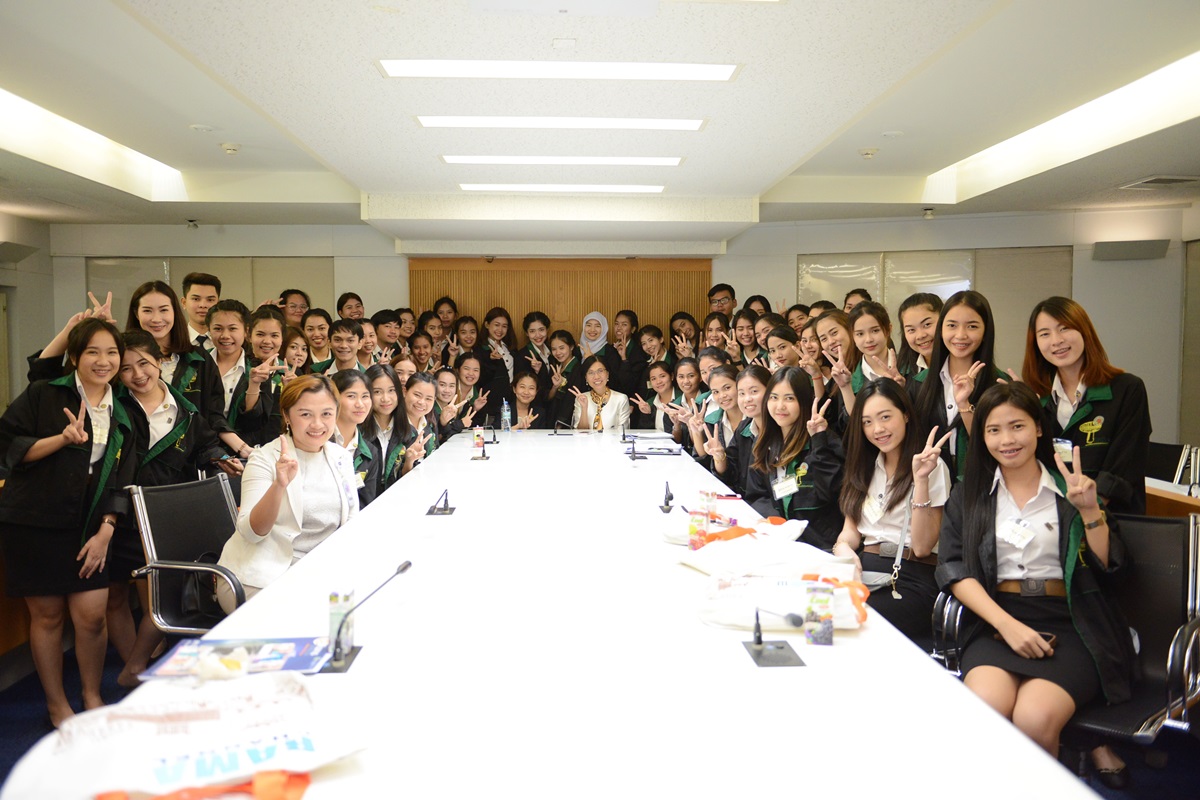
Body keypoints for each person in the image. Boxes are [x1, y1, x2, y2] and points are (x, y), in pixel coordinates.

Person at [935, 382, 1133, 758]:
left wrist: (1091, 513)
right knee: (984, 710)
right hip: (999, 621)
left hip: (1073, 623)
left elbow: (1111, 569)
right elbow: (953, 568)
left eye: (1017, 426)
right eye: (994, 430)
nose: (1006, 440)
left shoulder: (1070, 487)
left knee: (1034, 718)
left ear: (1038, 428)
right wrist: (1007, 626)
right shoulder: (971, 493)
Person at [0, 318, 136, 727]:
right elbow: (8, 446)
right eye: (92, 352)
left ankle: (92, 694)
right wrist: (61, 439)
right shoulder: (45, 394)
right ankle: (57, 704)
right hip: (34, 523)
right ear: (74, 357)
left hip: (90, 527)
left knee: (92, 615)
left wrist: (107, 530)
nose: (103, 361)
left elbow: (122, 478)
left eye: (112, 352)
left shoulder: (124, 411)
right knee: (47, 617)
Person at [109, 330, 237, 686]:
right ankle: (132, 668)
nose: (137, 375)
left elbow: (204, 446)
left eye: (144, 364)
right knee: (115, 595)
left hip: (161, 514)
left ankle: (139, 665)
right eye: (126, 368)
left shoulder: (186, 410)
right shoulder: (112, 404)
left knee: (159, 598)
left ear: (161, 362)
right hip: (115, 509)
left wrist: (222, 458)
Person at [217, 375, 359, 613]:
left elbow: (351, 522)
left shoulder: (340, 456)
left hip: (318, 574)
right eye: (305, 414)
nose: (317, 424)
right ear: (286, 416)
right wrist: (279, 484)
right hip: (260, 576)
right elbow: (253, 533)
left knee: (355, 616)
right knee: (320, 619)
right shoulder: (264, 459)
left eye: (326, 414)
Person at [831, 379, 951, 646]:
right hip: (864, 568)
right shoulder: (863, 464)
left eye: (886, 417)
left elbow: (921, 547)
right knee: (813, 608)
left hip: (910, 576)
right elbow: (851, 530)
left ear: (906, 415)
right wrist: (843, 550)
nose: (878, 429)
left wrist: (920, 481)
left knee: (840, 621)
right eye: (868, 422)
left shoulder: (932, 466)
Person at [1023, 296, 1151, 515]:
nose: (1056, 340)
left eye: (1064, 328)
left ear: (1085, 331)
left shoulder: (1127, 389)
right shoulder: (1035, 398)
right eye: (1044, 334)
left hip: (1113, 521)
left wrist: (1087, 508)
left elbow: (1125, 465)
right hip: (1052, 520)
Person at [910, 290, 1006, 483]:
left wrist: (965, 406)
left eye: (972, 326)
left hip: (981, 485)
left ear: (986, 331)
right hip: (929, 485)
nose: (960, 335)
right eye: (952, 325)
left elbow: (996, 444)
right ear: (941, 330)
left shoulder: (1000, 385)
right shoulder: (919, 383)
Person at [744, 367, 844, 550]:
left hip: (820, 547)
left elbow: (831, 492)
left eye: (789, 398)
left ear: (804, 401)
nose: (780, 406)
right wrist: (778, 524)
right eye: (774, 397)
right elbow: (756, 495)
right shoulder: (764, 443)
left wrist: (818, 441)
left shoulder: (825, 441)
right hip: (778, 542)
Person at [205, 300, 266, 456]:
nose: (225, 336)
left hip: (245, 453)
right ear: (209, 330)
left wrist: (254, 384)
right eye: (218, 329)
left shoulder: (258, 367)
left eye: (232, 329)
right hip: (203, 451)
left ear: (246, 332)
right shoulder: (197, 365)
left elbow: (254, 421)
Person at [331, 370, 380, 508]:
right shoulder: (318, 443)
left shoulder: (370, 452)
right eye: (351, 396)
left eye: (365, 396)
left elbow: (366, 503)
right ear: (334, 398)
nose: (360, 404)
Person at [849, 301, 906, 396]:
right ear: (852, 336)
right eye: (860, 334)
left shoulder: (909, 368)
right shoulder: (850, 380)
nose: (868, 339)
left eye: (875, 330)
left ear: (888, 329)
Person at [364, 363, 406, 493]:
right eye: (377, 392)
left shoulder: (408, 432)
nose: (385, 398)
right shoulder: (358, 432)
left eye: (391, 390)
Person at [570, 356, 631, 431]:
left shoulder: (621, 399)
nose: (596, 376)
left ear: (607, 374)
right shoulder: (581, 398)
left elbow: (623, 433)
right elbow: (579, 433)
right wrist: (584, 408)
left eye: (600, 371)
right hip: (587, 442)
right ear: (586, 378)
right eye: (591, 373)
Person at [896, 293, 943, 377]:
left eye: (927, 324)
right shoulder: (902, 372)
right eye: (911, 330)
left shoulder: (961, 367)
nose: (920, 335)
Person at [547, 330, 585, 428]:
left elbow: (571, 399)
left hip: (566, 421)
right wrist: (555, 387)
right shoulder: (555, 367)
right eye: (554, 349)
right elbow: (548, 397)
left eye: (562, 348)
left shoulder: (578, 369)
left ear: (571, 347)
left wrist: (560, 423)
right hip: (551, 415)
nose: (558, 353)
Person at [630, 361, 678, 432]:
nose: (658, 382)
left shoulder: (682, 399)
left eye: (662, 376)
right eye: (653, 379)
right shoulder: (649, 403)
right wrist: (647, 415)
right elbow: (645, 434)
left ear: (672, 376)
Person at [181, 272, 221, 351]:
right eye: (196, 299)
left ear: (218, 304)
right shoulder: (173, 342)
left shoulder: (228, 342)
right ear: (184, 303)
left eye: (210, 300)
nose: (203, 305)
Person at [579, 311, 620, 376]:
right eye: (588, 325)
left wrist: (591, 360)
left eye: (597, 326)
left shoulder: (610, 352)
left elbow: (614, 379)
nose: (592, 330)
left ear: (604, 329)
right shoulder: (577, 350)